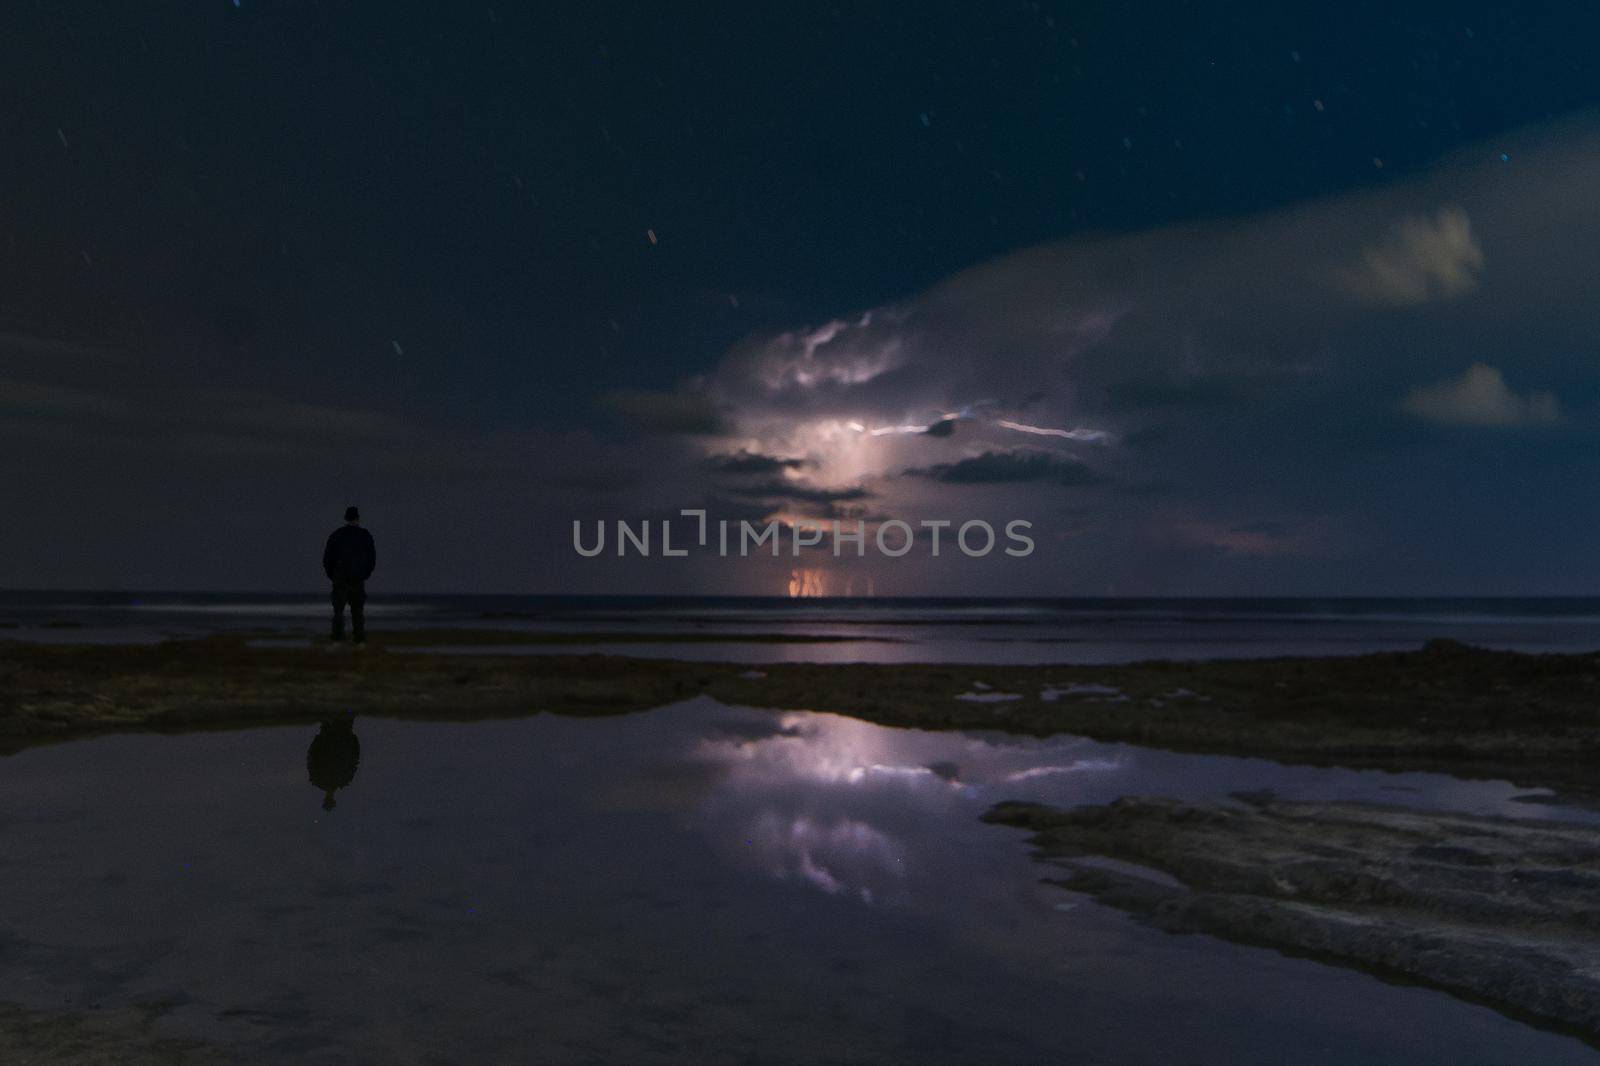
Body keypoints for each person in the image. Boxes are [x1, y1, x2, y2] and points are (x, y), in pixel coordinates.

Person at [323, 505, 376, 643]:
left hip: (340, 578)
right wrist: (365, 574)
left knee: (338, 613)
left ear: (345, 518)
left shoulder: (336, 535)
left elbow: (327, 559)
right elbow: (371, 559)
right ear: (357, 518)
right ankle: (359, 641)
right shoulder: (365, 535)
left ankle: (337, 640)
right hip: (357, 578)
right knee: (357, 613)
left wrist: (332, 574)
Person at [307, 715, 361, 812]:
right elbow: (354, 759)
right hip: (340, 736)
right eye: (330, 801)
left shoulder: (319, 779)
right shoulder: (343, 779)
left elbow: (312, 757)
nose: (329, 799)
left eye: (328, 801)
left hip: (334, 736)